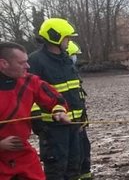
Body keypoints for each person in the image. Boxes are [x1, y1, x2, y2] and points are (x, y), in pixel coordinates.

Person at [1, 42, 70, 180]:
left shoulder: (30, 81)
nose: (28, 66)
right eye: (22, 63)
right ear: (3, 64)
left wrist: (59, 111)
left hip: (21, 151)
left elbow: (56, 99)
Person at [29, 18, 85, 180]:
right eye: (67, 38)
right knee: (56, 169)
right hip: (52, 127)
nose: (69, 42)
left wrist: (82, 116)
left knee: (75, 166)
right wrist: (37, 120)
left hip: (73, 124)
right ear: (56, 37)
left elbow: (76, 90)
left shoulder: (66, 59)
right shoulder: (36, 61)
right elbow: (31, 91)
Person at [66, 41, 92, 180]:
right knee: (73, 158)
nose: (75, 57)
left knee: (84, 151)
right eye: (74, 55)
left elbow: (78, 100)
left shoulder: (73, 73)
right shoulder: (61, 73)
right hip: (67, 124)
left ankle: (86, 175)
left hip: (79, 122)